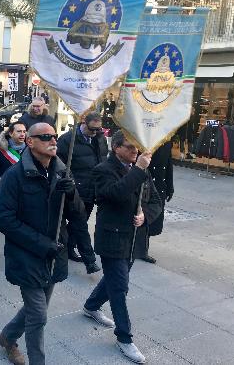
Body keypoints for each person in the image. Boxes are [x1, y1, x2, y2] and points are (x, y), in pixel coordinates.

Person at [0, 122, 89, 365]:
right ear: (30, 142)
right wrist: (41, 244)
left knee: (36, 309)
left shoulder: (62, 171)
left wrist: (71, 194)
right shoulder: (14, 176)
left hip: (54, 254)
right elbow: (4, 219)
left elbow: (78, 214)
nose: (53, 140)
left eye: (54, 136)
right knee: (38, 315)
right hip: (27, 255)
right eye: (45, 137)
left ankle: (7, 336)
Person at [82, 131, 161, 364]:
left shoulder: (140, 169)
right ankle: (124, 338)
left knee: (114, 279)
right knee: (120, 286)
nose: (135, 150)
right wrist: (138, 170)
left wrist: (145, 216)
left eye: (137, 146)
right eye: (130, 146)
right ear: (116, 147)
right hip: (112, 239)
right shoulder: (103, 170)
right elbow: (113, 195)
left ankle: (91, 305)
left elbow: (155, 200)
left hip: (134, 239)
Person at [57, 111, 107, 273]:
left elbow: (103, 160)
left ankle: (69, 248)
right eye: (93, 129)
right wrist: (71, 183)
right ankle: (89, 261)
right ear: (83, 123)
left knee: (80, 222)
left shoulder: (100, 138)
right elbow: (59, 164)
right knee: (80, 224)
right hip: (76, 190)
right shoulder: (67, 140)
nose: (95, 132)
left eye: (98, 129)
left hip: (93, 189)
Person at [0, 121, 26, 261]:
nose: (22, 134)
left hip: (22, 194)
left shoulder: (30, 151)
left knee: (20, 222)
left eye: (24, 131)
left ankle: (17, 249)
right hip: (3, 193)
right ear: (10, 133)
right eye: (19, 131)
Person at [135, 141, 174, 264]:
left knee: (152, 219)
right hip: (145, 183)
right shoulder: (144, 140)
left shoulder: (167, 142)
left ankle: (143, 249)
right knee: (141, 216)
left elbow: (168, 164)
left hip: (159, 185)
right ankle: (138, 249)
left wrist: (169, 186)